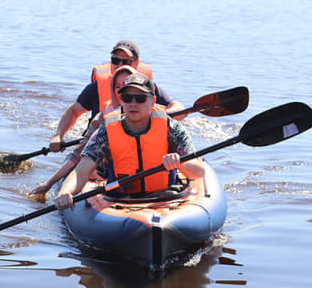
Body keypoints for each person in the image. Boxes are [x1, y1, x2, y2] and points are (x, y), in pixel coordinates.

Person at [54, 72, 205, 210]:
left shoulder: (170, 127)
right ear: (121, 101)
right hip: (119, 198)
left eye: (140, 98)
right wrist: (65, 192)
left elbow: (199, 171)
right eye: (127, 98)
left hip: (166, 195)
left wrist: (179, 162)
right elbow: (81, 173)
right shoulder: (107, 130)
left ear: (152, 101)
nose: (133, 103)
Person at [49, 39, 185, 153]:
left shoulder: (147, 88)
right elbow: (73, 111)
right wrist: (58, 135)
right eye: (115, 60)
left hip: (137, 144)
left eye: (125, 61)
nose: (119, 65)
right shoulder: (95, 88)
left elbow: (179, 108)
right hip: (99, 142)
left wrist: (155, 115)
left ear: (136, 63)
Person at [28, 65, 138, 201]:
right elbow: (79, 156)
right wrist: (49, 184)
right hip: (111, 179)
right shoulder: (102, 123)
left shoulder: (161, 123)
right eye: (118, 87)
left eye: (128, 87)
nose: (123, 92)